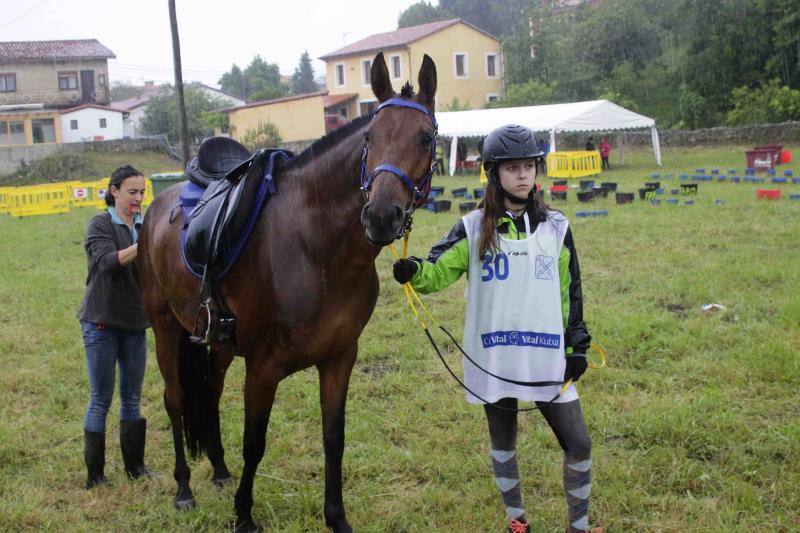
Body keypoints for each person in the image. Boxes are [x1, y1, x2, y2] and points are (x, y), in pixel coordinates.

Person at [392, 125, 598, 533]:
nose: (524, 175)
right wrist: (414, 269)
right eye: (512, 168)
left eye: (529, 166)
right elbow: (437, 271)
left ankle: (581, 526)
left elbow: (570, 291)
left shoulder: (556, 227)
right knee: (504, 442)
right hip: (495, 357)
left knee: (579, 442)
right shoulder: (472, 227)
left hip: (545, 356)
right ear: (493, 173)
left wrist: (576, 345)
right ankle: (516, 521)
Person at [77, 165, 156, 489]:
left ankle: (135, 467)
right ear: (114, 191)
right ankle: (95, 476)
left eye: (142, 192)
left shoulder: (143, 223)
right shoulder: (101, 224)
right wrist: (147, 242)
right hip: (101, 323)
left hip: (136, 323)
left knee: (133, 398)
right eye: (132, 192)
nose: (138, 198)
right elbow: (106, 262)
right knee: (101, 398)